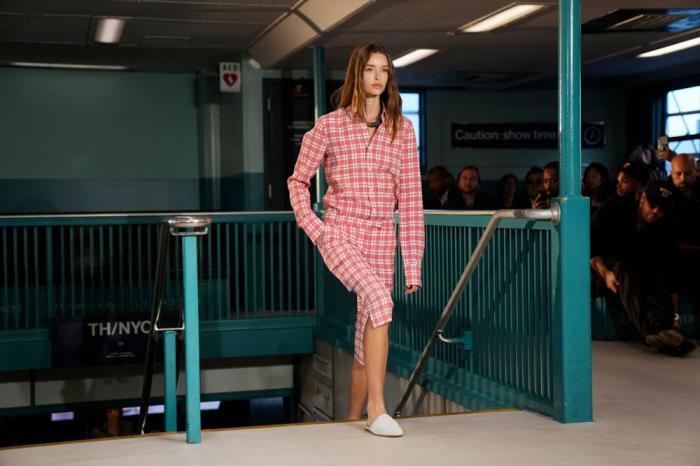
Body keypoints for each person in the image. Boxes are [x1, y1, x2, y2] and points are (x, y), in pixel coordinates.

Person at [288, 42, 424, 437]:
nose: (378, 76)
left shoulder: (402, 128)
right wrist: (316, 228)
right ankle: (379, 410)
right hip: (342, 232)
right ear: (356, 74)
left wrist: (411, 262)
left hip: (383, 234)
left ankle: (350, 420)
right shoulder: (329, 125)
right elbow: (297, 181)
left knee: (369, 330)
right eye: (370, 69)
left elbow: (412, 200)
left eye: (384, 70)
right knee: (382, 301)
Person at [590, 180, 695, 356]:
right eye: (653, 205)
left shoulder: (666, 222)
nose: (656, 212)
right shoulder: (614, 208)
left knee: (656, 269)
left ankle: (664, 330)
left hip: (642, 271)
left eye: (662, 209)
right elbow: (591, 247)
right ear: (642, 198)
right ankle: (649, 333)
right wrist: (606, 273)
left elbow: (671, 269)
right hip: (606, 272)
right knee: (624, 270)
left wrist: (675, 320)